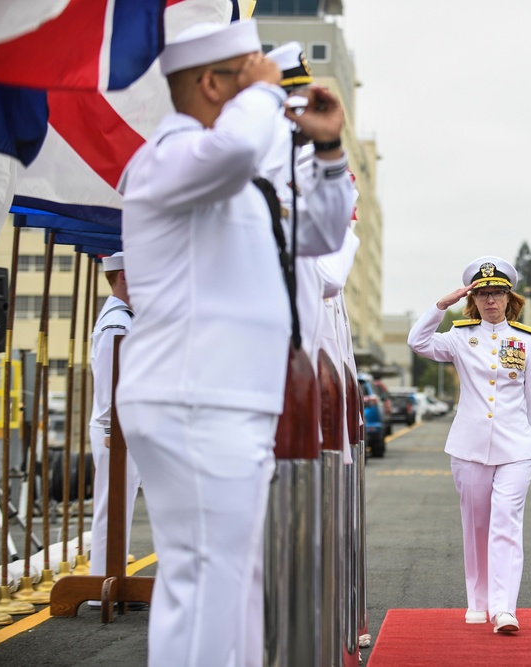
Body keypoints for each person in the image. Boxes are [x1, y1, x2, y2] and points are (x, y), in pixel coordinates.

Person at [117, 19, 354, 666]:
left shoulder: (237, 181)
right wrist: (264, 96)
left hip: (232, 401)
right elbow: (235, 152)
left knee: (238, 583)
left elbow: (323, 234)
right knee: (205, 585)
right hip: (193, 398)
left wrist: (329, 152)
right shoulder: (168, 159)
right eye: (252, 73)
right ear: (211, 83)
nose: (271, 90)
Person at [407, 256, 531, 634]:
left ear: (508, 298)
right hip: (469, 446)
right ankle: (478, 602)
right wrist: (442, 305)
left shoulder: (525, 339)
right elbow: (417, 341)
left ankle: (504, 609)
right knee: (476, 525)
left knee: (506, 522)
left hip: (516, 447)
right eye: (484, 294)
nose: (491, 301)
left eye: (498, 294)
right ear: (474, 299)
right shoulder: (459, 335)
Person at [87, 252, 140, 595]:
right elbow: (108, 382)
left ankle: (113, 581)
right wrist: (111, 430)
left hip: (122, 427)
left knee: (120, 507)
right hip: (115, 429)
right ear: (122, 276)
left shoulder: (124, 317)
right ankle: (101, 586)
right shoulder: (116, 323)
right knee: (112, 507)